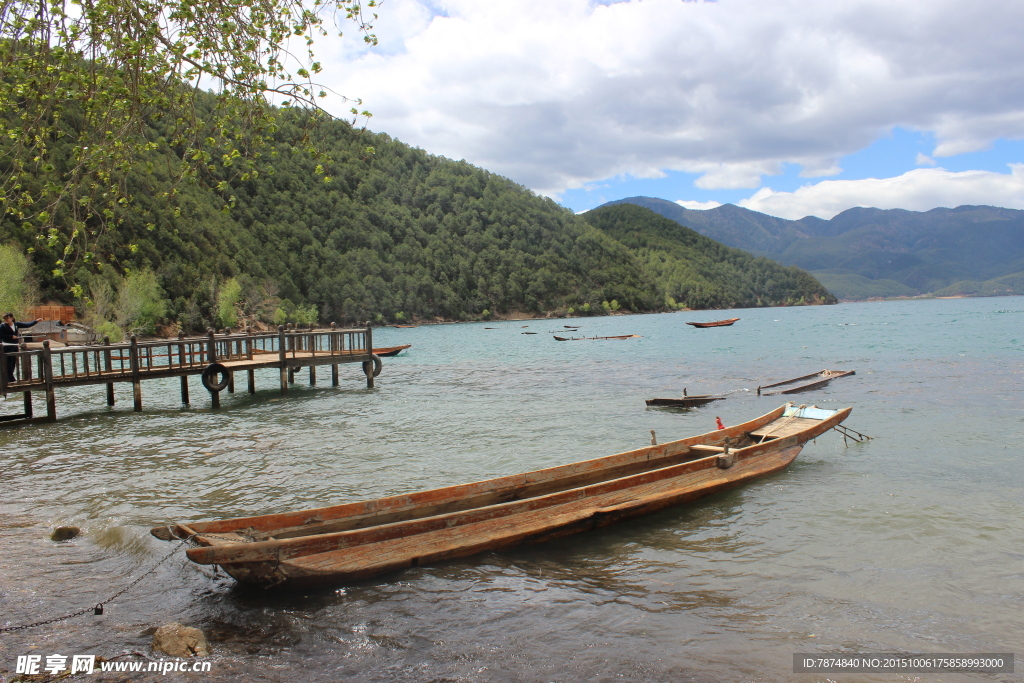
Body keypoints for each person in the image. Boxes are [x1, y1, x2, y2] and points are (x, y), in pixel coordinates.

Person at [1, 313, 42, 382]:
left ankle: (10, 377)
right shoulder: (3, 326)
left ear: (11, 318)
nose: (6, 320)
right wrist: (11, 336)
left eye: (7, 318)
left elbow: (27, 325)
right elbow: (1, 335)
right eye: (5, 319)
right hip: (7, 345)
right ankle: (9, 378)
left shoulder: (16, 324)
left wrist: (36, 321)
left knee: (14, 361)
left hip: (15, 345)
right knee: (8, 362)